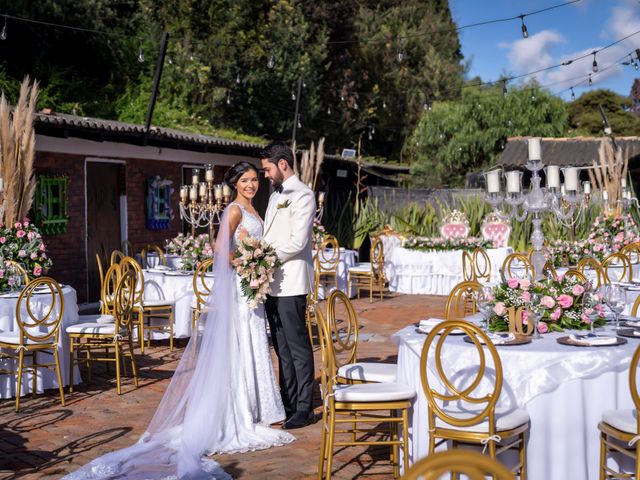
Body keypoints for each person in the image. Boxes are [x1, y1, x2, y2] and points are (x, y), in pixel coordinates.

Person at [63, 161, 293, 480]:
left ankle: (256, 409)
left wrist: (259, 265)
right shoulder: (235, 211)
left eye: (255, 179)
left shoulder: (255, 209)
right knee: (241, 345)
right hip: (242, 287)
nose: (252, 185)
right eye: (245, 180)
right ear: (235, 184)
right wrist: (247, 264)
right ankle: (235, 414)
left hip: (251, 288)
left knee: (254, 342)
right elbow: (219, 249)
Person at [261, 141, 316, 429]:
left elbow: (298, 241)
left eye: (268, 169)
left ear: (282, 164)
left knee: (297, 346)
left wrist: (261, 257)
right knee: (281, 347)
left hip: (292, 283)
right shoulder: (273, 197)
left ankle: (305, 407)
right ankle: (289, 401)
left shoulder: (304, 195)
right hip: (271, 283)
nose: (266, 175)